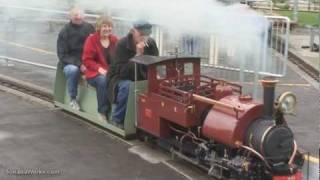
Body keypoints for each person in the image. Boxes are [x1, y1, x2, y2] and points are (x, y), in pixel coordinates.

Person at [107, 20, 159, 129]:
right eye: (141, 34)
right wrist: (138, 55)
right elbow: (122, 71)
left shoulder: (151, 43)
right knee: (128, 86)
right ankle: (117, 119)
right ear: (133, 31)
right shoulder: (122, 44)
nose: (144, 38)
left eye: (147, 35)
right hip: (120, 77)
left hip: (142, 76)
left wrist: (158, 75)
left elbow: (155, 64)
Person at [57, 6, 94, 110]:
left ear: (84, 15)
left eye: (80, 15)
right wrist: (79, 64)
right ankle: (73, 99)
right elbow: (62, 55)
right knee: (73, 71)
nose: (78, 17)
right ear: (70, 16)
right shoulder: (64, 32)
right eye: (75, 15)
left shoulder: (89, 28)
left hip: (87, 61)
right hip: (70, 63)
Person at [82, 15, 118, 120]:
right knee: (102, 81)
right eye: (105, 26)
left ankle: (117, 113)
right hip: (94, 73)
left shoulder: (114, 40)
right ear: (99, 27)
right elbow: (87, 60)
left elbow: (121, 55)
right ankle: (102, 112)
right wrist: (99, 69)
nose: (107, 29)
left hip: (111, 72)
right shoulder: (91, 40)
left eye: (110, 26)